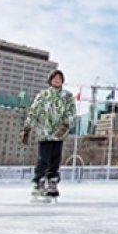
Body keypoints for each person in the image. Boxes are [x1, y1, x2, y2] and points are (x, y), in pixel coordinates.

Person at [21, 69, 76, 199]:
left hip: (59, 133)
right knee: (43, 158)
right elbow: (34, 111)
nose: (57, 80)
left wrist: (66, 124)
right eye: (54, 78)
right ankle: (39, 181)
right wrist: (27, 128)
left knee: (55, 159)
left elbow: (71, 112)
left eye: (59, 78)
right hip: (44, 132)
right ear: (50, 80)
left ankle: (52, 181)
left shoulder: (67, 96)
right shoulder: (43, 95)